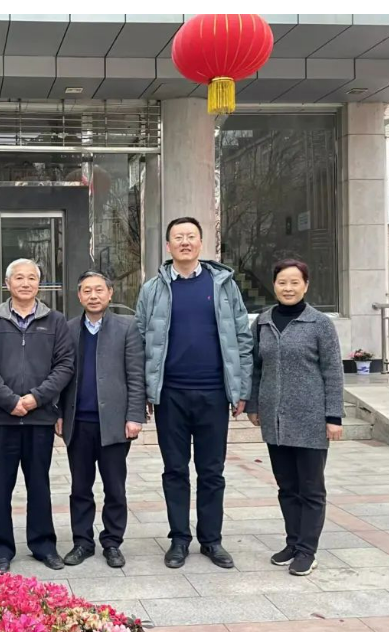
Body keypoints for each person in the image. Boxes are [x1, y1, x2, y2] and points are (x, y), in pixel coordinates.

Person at [135, 217, 252, 570]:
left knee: (212, 471)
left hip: (213, 393)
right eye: (178, 237)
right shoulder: (153, 289)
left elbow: (242, 338)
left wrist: (241, 388)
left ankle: (212, 540)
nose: (184, 242)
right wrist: (145, 390)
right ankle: (179, 539)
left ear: (201, 243)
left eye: (191, 236)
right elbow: (139, 341)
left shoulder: (224, 286)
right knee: (174, 470)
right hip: (170, 394)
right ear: (168, 246)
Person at [246, 259, 344, 577]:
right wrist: (253, 405)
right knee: (287, 486)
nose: (288, 288)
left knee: (311, 489)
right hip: (275, 420)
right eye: (282, 282)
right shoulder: (263, 321)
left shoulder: (320, 324)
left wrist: (334, 416)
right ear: (274, 285)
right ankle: (293, 542)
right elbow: (256, 368)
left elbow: (333, 371)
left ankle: (307, 550)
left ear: (306, 285)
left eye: (294, 282)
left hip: (311, 419)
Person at [0, 258, 75, 572]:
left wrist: (35, 399)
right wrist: (9, 401)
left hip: (39, 418)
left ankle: (43, 545)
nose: (25, 283)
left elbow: (64, 365)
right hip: (2, 418)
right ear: (7, 283)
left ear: (39, 283)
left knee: (39, 485)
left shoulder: (55, 321)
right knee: (0, 486)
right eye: (18, 278)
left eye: (31, 278)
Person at [58, 271, 146, 569]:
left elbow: (136, 375)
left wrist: (135, 416)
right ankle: (82, 542)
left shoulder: (127, 327)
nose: (93, 296)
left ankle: (112, 542)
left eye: (99, 290)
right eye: (87, 291)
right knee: (80, 488)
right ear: (79, 296)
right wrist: (59, 414)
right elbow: (59, 375)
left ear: (110, 294)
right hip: (78, 423)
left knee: (114, 488)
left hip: (114, 424)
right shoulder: (68, 329)